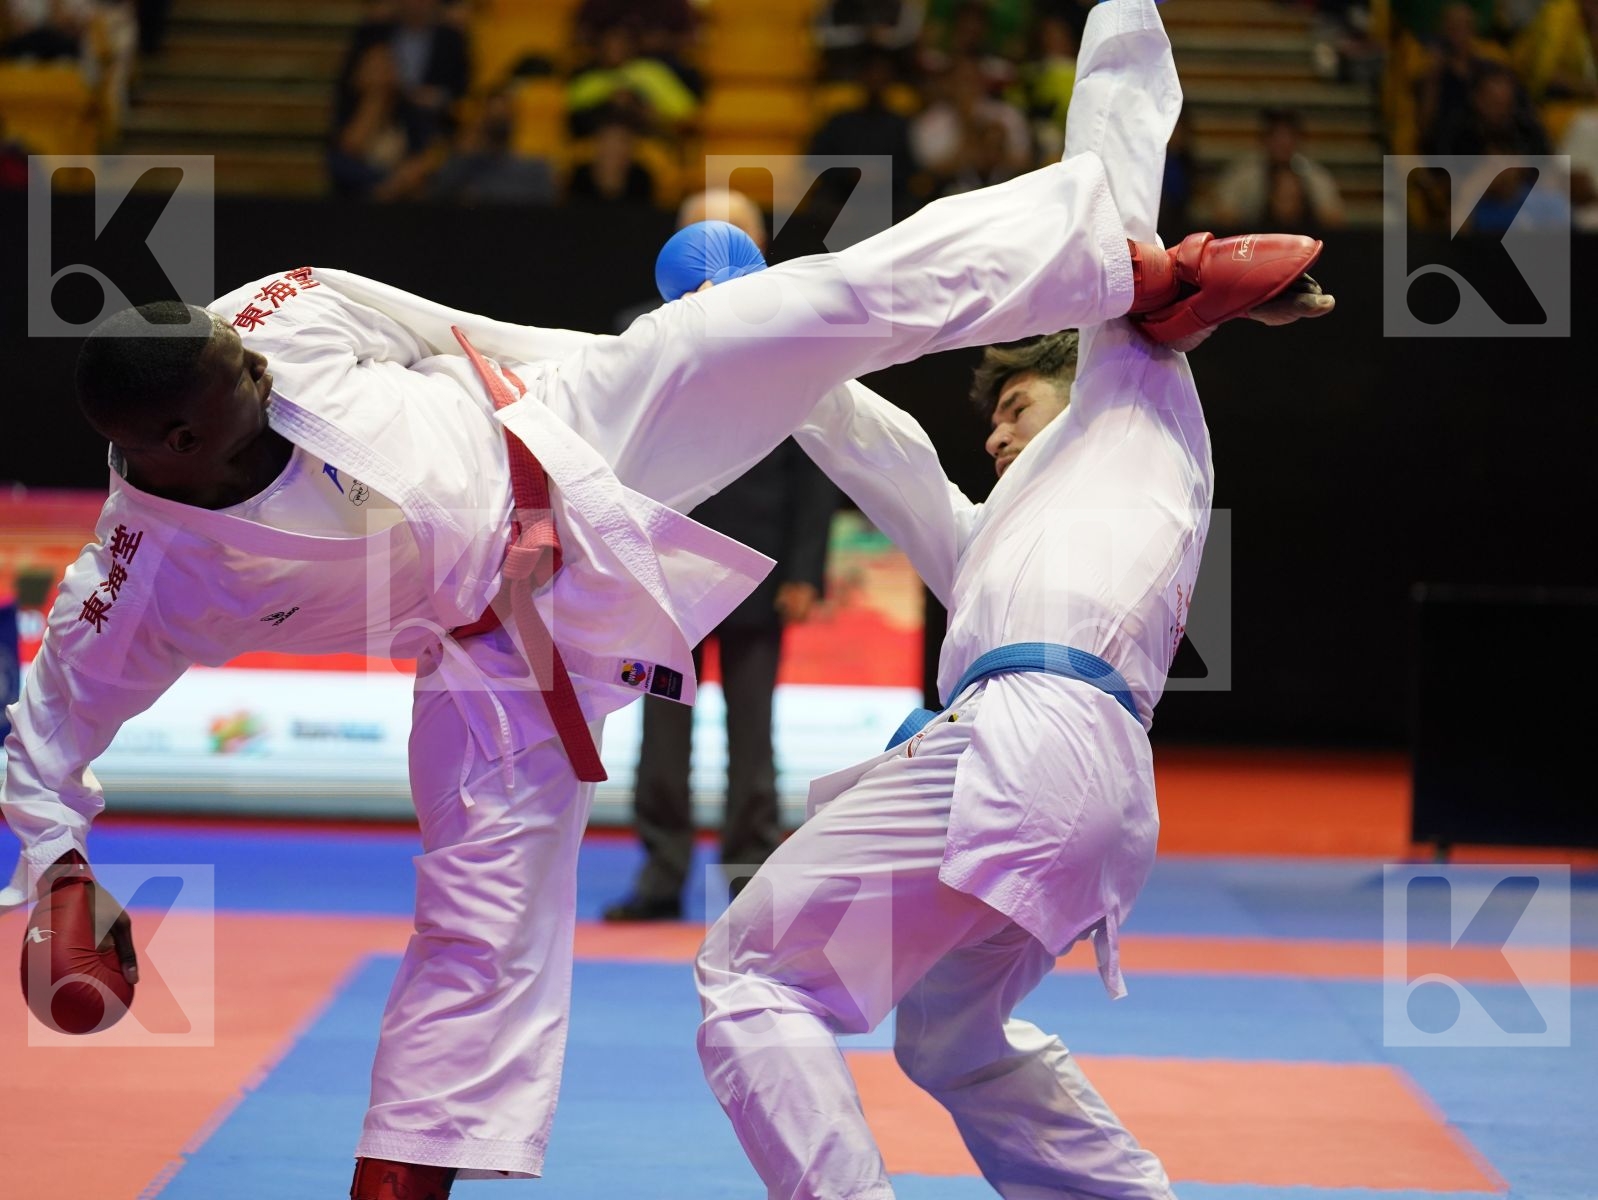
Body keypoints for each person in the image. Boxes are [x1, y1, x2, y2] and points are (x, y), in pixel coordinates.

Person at [1, 87, 1324, 1200]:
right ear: (168, 447)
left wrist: (603, 362)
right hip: (493, 654)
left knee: (782, 315)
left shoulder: (266, 323)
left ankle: (1130, 277)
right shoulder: (136, 588)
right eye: (237, 395)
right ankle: (402, 1180)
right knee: (479, 926)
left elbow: (408, 323)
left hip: (566, 430)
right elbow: (44, 742)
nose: (261, 375)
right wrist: (59, 872)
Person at [693, 3, 1335, 1198]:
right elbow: (877, 450)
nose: (991, 430)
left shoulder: (1130, 401)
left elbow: (1110, 201)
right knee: (948, 1037)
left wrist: (1118, 23)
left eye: (1010, 407)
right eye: (985, 418)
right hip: (1082, 790)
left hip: (1027, 745)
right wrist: (745, 328)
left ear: (1076, 381)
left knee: (748, 974)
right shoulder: (996, 540)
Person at [605, 213, 839, 924]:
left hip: (760, 565)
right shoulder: (640, 330)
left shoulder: (788, 338)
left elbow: (815, 460)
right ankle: (661, 876)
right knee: (662, 734)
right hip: (664, 566)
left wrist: (805, 568)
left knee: (752, 731)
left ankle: (750, 879)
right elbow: (614, 446)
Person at [1211, 107, 1346, 229]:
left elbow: (1334, 218)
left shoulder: (1314, 175)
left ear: (1298, 139)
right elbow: (1223, 215)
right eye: (1277, 137)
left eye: (1288, 137)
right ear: (1265, 139)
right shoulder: (1244, 174)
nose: (1283, 143)